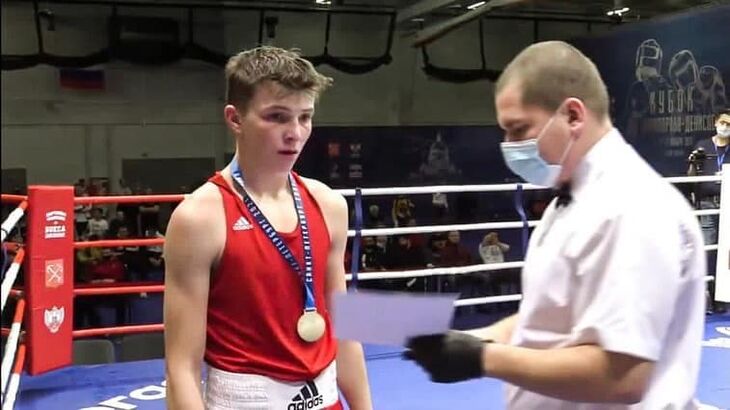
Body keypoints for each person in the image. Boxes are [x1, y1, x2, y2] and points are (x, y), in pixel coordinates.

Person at [404, 41, 707, 409]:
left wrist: (483, 358)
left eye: (519, 129)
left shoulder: (631, 208)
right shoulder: (572, 200)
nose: (509, 145)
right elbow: (549, 318)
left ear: (573, 116)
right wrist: (473, 340)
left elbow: (623, 376)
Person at [163, 46, 372, 410]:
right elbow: (181, 366)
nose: (295, 133)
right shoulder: (200, 218)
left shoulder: (329, 205)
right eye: (277, 117)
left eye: (305, 117)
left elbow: (345, 331)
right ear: (235, 119)